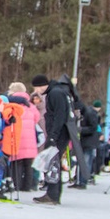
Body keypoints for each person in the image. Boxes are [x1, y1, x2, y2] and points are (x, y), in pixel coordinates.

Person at [31, 73, 76, 205]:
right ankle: (52, 193)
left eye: (37, 88)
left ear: (42, 85)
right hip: (60, 134)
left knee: (53, 163)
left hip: (58, 135)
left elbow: (59, 116)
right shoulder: (58, 91)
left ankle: (53, 194)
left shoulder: (55, 93)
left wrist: (53, 136)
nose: (36, 91)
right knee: (52, 162)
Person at [6, 82, 39, 191]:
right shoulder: (31, 105)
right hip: (30, 140)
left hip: (17, 137)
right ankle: (27, 186)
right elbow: (37, 118)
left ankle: (17, 184)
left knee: (17, 163)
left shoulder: (12, 104)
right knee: (28, 164)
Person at [70, 98, 101, 189]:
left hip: (89, 142)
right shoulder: (83, 114)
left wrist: (81, 130)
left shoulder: (90, 113)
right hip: (82, 141)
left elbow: (93, 128)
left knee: (86, 161)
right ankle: (78, 180)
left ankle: (83, 181)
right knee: (80, 161)